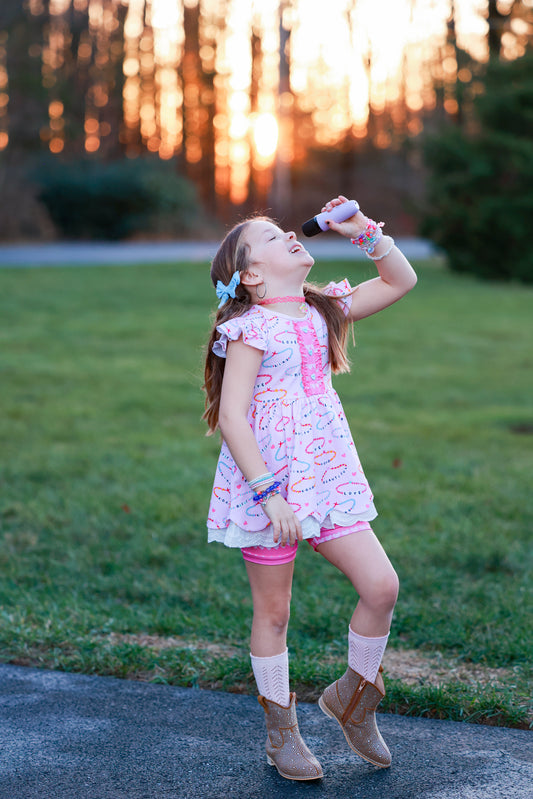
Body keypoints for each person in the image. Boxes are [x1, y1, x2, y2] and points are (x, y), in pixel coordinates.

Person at [202, 195, 417, 781]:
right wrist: (269, 495)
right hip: (267, 486)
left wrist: (362, 230)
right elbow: (232, 417)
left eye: (284, 232)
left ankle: (353, 698)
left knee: (381, 585)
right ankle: (282, 731)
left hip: (327, 479)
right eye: (269, 238)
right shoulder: (249, 329)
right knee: (274, 612)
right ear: (251, 274)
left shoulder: (324, 311)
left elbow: (400, 279)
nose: (288, 238)